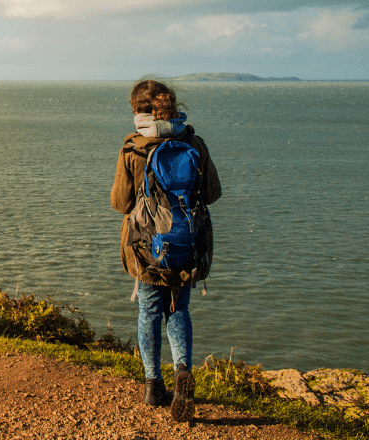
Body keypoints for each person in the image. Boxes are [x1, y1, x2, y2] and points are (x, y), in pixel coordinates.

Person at [110, 79, 221, 423]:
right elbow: (212, 193)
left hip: (147, 249)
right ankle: (183, 368)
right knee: (180, 309)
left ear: (137, 110)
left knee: (149, 312)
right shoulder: (194, 143)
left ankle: (152, 386)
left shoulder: (134, 148)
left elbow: (120, 202)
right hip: (187, 244)